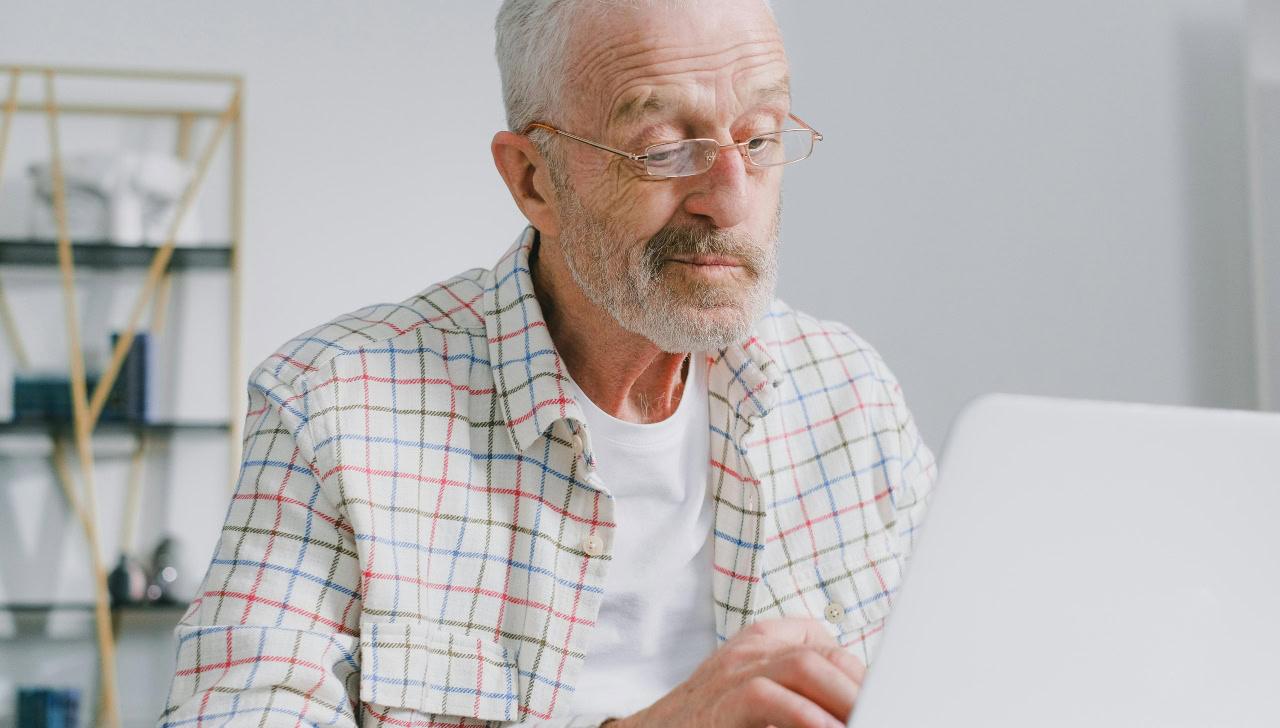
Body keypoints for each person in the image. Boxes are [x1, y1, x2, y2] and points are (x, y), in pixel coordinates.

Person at [158, 1, 936, 726]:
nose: (730, 201)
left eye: (760, 138)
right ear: (533, 180)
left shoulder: (851, 396)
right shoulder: (333, 410)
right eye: (665, 150)